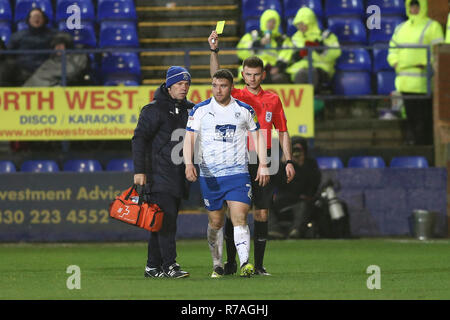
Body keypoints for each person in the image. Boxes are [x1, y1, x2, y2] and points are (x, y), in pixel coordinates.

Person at [209, 31, 295, 276]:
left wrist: (288, 160)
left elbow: (284, 131)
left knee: (262, 211)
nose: (252, 78)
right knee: (237, 211)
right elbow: (216, 78)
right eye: (248, 74)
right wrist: (214, 51)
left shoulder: (273, 99)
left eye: (257, 74)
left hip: (265, 159)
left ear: (263, 75)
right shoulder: (235, 95)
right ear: (242, 75)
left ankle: (258, 265)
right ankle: (232, 263)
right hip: (237, 158)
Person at [183, 69, 270, 278]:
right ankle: (217, 264)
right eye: (214, 85)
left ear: (231, 87)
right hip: (210, 176)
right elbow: (189, 139)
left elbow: (258, 137)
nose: (218, 90)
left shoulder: (244, 110)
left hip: (237, 174)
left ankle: (245, 264)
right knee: (216, 222)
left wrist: (263, 164)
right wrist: (188, 163)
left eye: (222, 85)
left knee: (239, 218)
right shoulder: (200, 110)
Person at [132, 66, 194, 278]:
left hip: (178, 175)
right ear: (168, 86)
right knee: (166, 221)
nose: (183, 87)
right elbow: (139, 139)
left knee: (162, 221)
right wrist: (139, 170)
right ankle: (170, 265)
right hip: (158, 174)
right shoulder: (153, 109)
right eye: (179, 84)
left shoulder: (190, 110)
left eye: (186, 84)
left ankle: (152, 267)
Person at [387, 0, 444, 145]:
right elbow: (392, 50)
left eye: (417, 5)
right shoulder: (400, 28)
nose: (414, 8)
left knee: (424, 119)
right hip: (405, 84)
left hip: (424, 83)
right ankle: (415, 147)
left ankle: (424, 149)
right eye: (411, 5)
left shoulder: (433, 27)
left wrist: (425, 64)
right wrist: (395, 63)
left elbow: (439, 53)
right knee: (411, 118)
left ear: (422, 6)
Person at [277, 7, 341, 93]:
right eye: (298, 24)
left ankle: (308, 102)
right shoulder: (294, 38)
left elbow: (336, 53)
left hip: (320, 70)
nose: (300, 26)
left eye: (303, 23)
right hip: (297, 70)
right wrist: (295, 56)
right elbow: (286, 54)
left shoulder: (325, 36)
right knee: (279, 78)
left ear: (310, 22)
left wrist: (321, 50)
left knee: (305, 74)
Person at [269, 136, 321, 239]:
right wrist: (283, 163)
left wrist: (301, 165)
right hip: (283, 201)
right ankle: (274, 230)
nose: (296, 153)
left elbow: (314, 184)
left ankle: (296, 231)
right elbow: (278, 183)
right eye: (293, 149)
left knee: (303, 206)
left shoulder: (310, 164)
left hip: (300, 200)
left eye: (299, 149)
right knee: (265, 203)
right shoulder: (283, 164)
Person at [236, 9, 289, 83]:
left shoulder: (282, 39)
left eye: (274, 22)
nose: (271, 24)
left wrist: (278, 67)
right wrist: (258, 43)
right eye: (269, 21)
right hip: (253, 69)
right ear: (263, 21)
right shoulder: (253, 35)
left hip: (272, 71)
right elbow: (240, 52)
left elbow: (286, 55)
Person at [7, 8, 57, 85]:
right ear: (28, 20)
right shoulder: (17, 36)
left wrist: (62, 40)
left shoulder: (54, 35)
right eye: (34, 17)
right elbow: (8, 55)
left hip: (47, 71)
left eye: (39, 17)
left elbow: (66, 39)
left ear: (44, 19)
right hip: (22, 73)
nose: (36, 19)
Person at [23, 32, 89, 87]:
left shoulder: (77, 57)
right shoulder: (50, 61)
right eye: (56, 46)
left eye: (60, 45)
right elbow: (39, 77)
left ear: (67, 46)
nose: (58, 48)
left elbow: (70, 71)